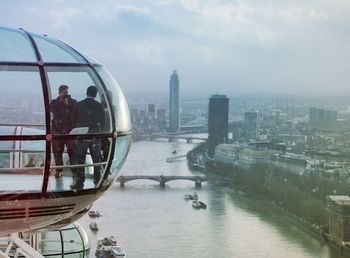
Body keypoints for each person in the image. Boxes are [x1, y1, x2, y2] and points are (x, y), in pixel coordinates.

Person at [70, 86, 106, 190]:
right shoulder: (99, 106)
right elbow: (103, 122)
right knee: (96, 161)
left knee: (80, 160)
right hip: (95, 138)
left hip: (82, 138)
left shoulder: (79, 105)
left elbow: (72, 119)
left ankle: (80, 182)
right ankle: (97, 180)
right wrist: (97, 132)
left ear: (86, 93)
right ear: (95, 94)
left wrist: (80, 127)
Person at [50, 85, 77, 178]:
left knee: (72, 152)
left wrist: (67, 104)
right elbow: (53, 111)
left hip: (70, 132)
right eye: (64, 92)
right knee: (57, 152)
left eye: (67, 92)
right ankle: (59, 170)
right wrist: (61, 103)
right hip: (57, 132)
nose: (66, 94)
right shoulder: (54, 102)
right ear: (59, 93)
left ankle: (75, 171)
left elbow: (76, 112)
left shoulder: (73, 102)